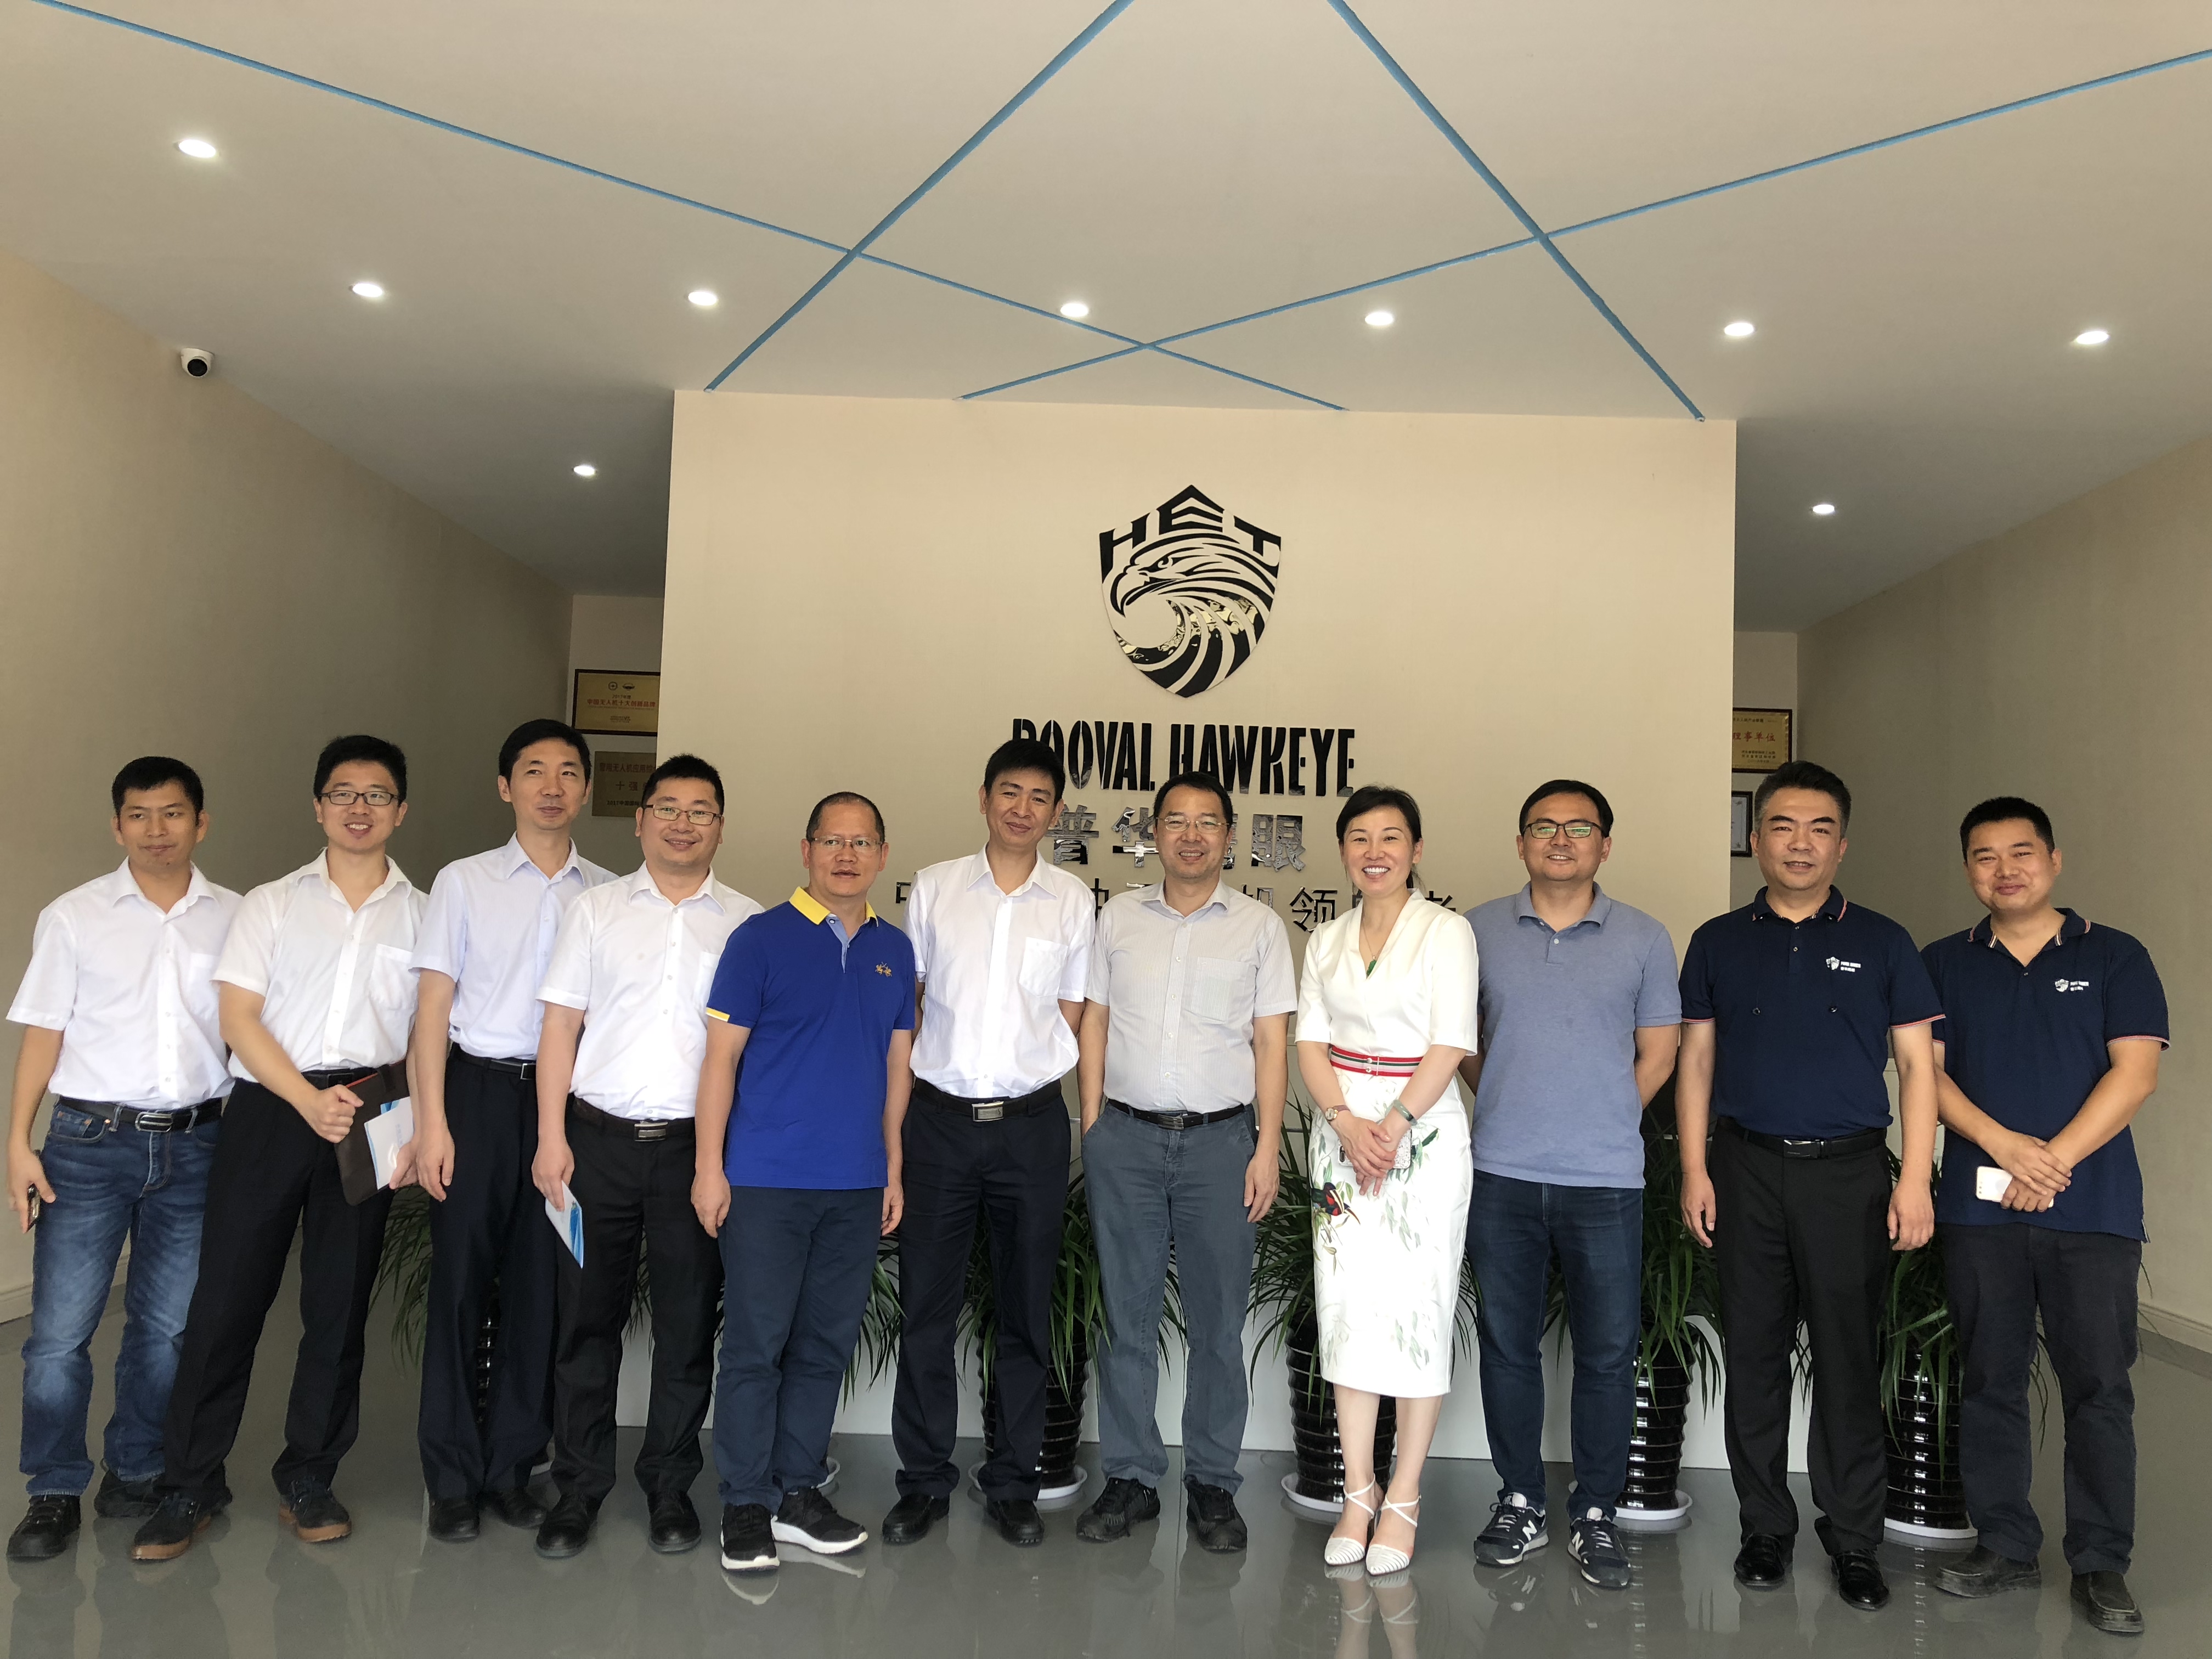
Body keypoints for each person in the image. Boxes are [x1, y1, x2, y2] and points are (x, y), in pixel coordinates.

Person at [132, 735, 426, 1561]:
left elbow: (424, 1035)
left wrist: (409, 1126)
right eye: (343, 793)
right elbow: (239, 1018)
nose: (359, 808)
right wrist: (306, 1100)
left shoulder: (426, 913)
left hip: (370, 1111)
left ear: (401, 811)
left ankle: (310, 1475)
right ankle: (189, 1482)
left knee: (340, 1304)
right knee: (226, 1300)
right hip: (272, 1106)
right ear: (318, 806)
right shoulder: (271, 903)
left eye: (377, 795)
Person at [1674, 759, 1940, 1612]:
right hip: (1744, 1168)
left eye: (1820, 828)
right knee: (1754, 1354)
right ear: (1756, 839)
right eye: (1783, 827)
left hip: (1849, 1174)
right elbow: (1697, 1061)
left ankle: (1854, 1539)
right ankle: (1765, 1528)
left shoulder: (1885, 941)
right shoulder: (1718, 940)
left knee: (1847, 1358)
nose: (1800, 843)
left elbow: (1917, 1068)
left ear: (1842, 844)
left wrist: (1916, 1180)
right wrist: (1694, 1169)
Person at [1922, 798, 2164, 1638]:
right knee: (1990, 1379)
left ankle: (2101, 1562)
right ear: (1968, 870)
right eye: (1984, 856)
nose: (2005, 870)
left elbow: (2135, 1074)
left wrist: (2051, 1159)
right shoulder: (1942, 963)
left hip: (2093, 1210)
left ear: (2054, 861)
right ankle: (2004, 1545)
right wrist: (2003, 1146)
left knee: (2099, 1386)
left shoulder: (2116, 955)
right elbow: (1926, 1076)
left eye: (2021, 852)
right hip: (1980, 1210)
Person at [5, 759, 239, 1561]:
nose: (156, 830)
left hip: (198, 1143)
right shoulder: (73, 917)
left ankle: (136, 1470)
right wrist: (17, 1143)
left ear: (201, 823)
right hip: (88, 1144)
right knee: (59, 1332)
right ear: (117, 826)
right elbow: (44, 1034)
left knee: (167, 1330)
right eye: (138, 815)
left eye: (173, 813)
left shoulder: (238, 918)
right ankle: (53, 1488)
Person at [528, 754, 761, 1560]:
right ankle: (579, 1489)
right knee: (584, 1325)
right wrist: (551, 1138)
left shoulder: (747, 924)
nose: (682, 824)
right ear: (640, 821)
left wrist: (719, 1162)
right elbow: (560, 1027)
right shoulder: (594, 911)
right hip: (593, 1147)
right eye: (667, 808)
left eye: (701, 811)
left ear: (721, 828)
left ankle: (669, 1487)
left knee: (686, 1327)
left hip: (695, 1155)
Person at [1461, 780, 1680, 1590]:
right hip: (1502, 1173)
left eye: (1580, 827)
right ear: (1520, 843)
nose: (1561, 839)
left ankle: (1595, 1511)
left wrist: (1602, 1114)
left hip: (1606, 1179)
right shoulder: (1476, 930)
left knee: (1608, 1353)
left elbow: (1659, 1054)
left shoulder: (1645, 938)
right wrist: (1509, 1100)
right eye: (1544, 827)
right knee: (1507, 1345)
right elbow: (1463, 1042)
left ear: (1605, 845)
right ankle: (1519, 1498)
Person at [694, 792, 915, 1575]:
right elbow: (720, 1061)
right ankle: (745, 1502)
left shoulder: (895, 950)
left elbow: (897, 1067)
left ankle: (796, 1492)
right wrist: (710, 1168)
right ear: (807, 850)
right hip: (766, 1181)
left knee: (823, 1345)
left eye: (861, 843)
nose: (846, 855)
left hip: (855, 1185)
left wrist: (892, 1167)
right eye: (831, 841)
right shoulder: (759, 939)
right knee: (756, 1346)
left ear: (882, 855)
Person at [1074, 771, 1294, 1553]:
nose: (1191, 835)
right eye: (1176, 821)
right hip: (1126, 1141)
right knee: (1127, 1319)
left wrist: (1266, 1147)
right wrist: (1093, 1123)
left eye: (1207, 822)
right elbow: (1095, 1020)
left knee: (1218, 1323)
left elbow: (1271, 1043)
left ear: (1229, 836)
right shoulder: (1118, 918)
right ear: (1154, 833)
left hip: (1221, 1146)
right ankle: (1131, 1477)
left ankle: (1212, 1484)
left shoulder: (1260, 928)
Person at [884, 737, 1092, 1549]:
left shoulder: (1071, 901)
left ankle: (1012, 1484)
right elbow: (913, 1004)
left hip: (1030, 1129)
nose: (1022, 809)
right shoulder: (936, 888)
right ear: (984, 798)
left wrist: (1021, 1072)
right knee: (927, 1310)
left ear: (1056, 812)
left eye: (1039, 797)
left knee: (1025, 1312)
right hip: (938, 1125)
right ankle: (923, 1481)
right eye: (1009, 792)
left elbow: (1069, 1011)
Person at [407, 719, 611, 1543]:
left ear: (587, 788)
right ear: (506, 787)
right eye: (533, 771)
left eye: (567, 772)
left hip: (565, 1109)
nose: (551, 787)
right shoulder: (463, 882)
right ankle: (453, 1477)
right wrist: (432, 1123)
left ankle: (512, 1468)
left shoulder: (607, 895)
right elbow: (431, 1011)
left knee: (540, 1290)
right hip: (478, 1095)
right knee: (460, 1285)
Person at [1297, 785, 1477, 1575]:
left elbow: (1452, 1042)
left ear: (1416, 850)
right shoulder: (1326, 938)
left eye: (1392, 837)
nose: (1376, 852)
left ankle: (1403, 1495)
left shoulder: (1447, 931)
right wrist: (1344, 1122)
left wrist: (1395, 1124)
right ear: (1344, 851)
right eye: (1360, 838)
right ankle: (1358, 1490)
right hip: (1341, 1135)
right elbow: (1310, 1041)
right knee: (1346, 1309)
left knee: (1417, 1307)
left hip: (1424, 1132)